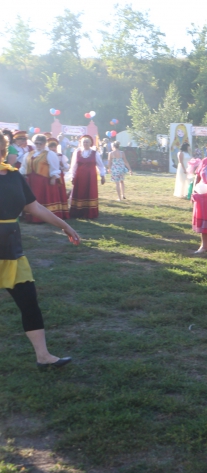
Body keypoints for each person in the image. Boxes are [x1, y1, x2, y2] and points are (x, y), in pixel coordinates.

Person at [0, 135, 81, 368]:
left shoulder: (14, 175)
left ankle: (43, 357)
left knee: (28, 301)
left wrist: (64, 225)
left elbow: (33, 206)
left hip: (10, 247)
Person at [19, 134, 69, 223]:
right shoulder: (28, 154)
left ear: (44, 144)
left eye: (40, 144)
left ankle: (46, 217)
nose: (38, 145)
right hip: (31, 181)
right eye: (36, 143)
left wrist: (54, 177)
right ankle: (32, 217)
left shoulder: (49, 154)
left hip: (44, 181)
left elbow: (55, 167)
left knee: (43, 198)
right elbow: (23, 167)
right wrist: (20, 176)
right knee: (33, 198)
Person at [68, 135, 106, 219]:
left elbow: (100, 165)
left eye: (87, 142)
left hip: (91, 176)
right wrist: (72, 176)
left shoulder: (94, 153)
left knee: (90, 192)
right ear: (81, 143)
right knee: (79, 192)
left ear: (90, 143)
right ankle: (77, 212)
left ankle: (89, 212)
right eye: (84, 142)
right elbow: (73, 165)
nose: (85, 144)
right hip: (79, 176)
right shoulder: (77, 152)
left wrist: (102, 175)